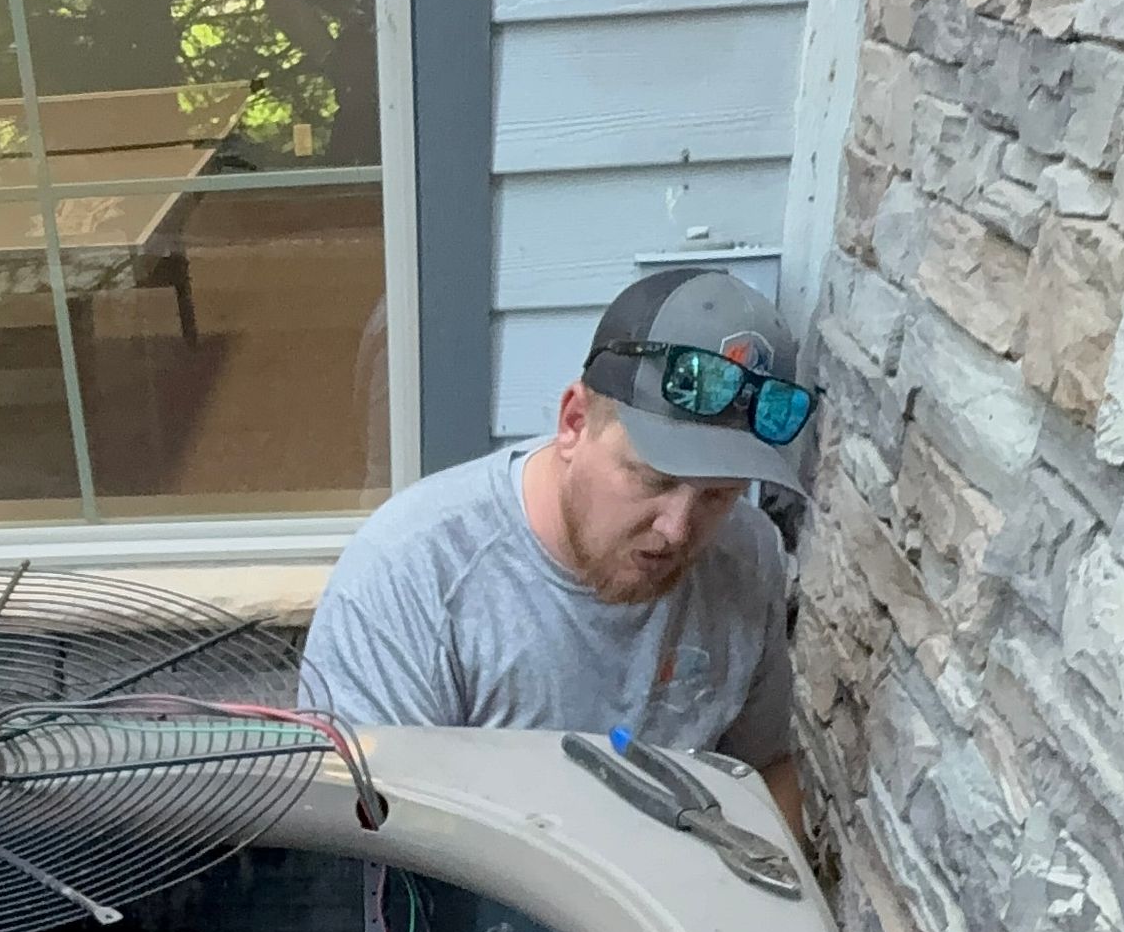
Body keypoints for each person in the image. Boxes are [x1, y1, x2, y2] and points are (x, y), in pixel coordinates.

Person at [301, 267, 815, 837]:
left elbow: (765, 768)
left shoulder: (748, 554)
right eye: (654, 479)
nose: (676, 528)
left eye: (719, 494)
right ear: (573, 423)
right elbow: (366, 835)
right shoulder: (408, 576)